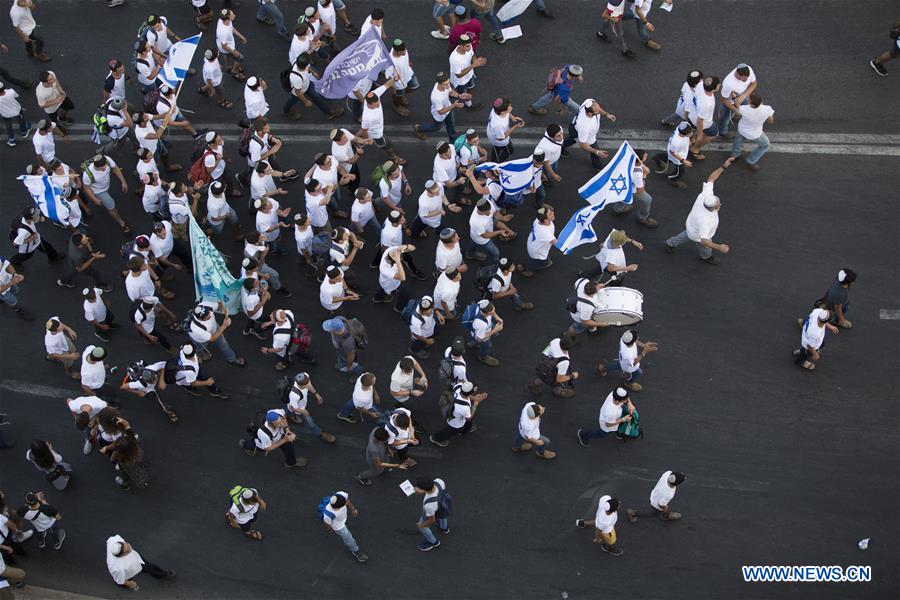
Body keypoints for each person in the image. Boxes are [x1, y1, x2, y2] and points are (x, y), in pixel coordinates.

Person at [664, 158, 735, 265]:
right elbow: (704, 241)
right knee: (706, 247)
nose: (720, 203)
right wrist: (718, 247)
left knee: (687, 234)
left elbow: (711, 179)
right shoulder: (704, 222)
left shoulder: (706, 196)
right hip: (698, 234)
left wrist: (724, 166)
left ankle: (670, 243)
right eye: (719, 203)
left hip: (692, 226)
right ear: (714, 208)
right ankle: (706, 257)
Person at [357, 75, 406, 164]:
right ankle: (393, 156)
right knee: (387, 145)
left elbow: (387, 85)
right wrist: (367, 139)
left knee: (363, 129)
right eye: (376, 103)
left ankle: (354, 141)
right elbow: (364, 130)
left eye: (378, 101)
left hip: (374, 125)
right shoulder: (367, 117)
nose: (379, 103)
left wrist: (394, 79)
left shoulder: (375, 95)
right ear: (370, 103)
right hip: (377, 134)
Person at [80, 154, 131, 234]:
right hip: (99, 191)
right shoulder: (88, 175)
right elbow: (86, 188)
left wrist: (123, 182)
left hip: (106, 185)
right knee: (111, 206)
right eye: (102, 168)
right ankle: (122, 223)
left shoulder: (107, 160)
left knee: (108, 202)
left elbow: (115, 169)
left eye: (105, 166)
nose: (105, 168)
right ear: (95, 166)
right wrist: (94, 199)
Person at [240, 409, 307, 468]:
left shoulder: (277, 412)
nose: (281, 424)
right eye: (278, 424)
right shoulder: (263, 433)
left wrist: (287, 430)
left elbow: (284, 419)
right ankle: (245, 445)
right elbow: (267, 448)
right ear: (271, 425)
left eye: (281, 420)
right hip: (269, 442)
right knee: (254, 444)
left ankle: (291, 463)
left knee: (289, 449)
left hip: (280, 436)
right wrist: (285, 440)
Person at [561, 99, 616, 170]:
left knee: (571, 139)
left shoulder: (589, 102)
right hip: (588, 137)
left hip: (576, 131)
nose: (599, 112)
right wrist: (597, 152)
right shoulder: (585, 126)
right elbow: (582, 144)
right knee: (594, 148)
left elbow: (598, 109)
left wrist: (606, 114)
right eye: (597, 112)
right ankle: (597, 166)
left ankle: (560, 148)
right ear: (590, 113)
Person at [105, 535, 175, 591]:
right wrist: (130, 584)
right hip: (128, 569)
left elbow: (109, 540)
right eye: (128, 550)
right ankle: (124, 585)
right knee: (122, 579)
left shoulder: (114, 540)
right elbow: (120, 580)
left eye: (127, 544)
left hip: (137, 559)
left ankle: (161, 574)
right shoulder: (117, 568)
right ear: (122, 555)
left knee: (149, 567)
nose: (130, 546)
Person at [283, 372, 336, 444]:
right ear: (300, 385)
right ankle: (320, 433)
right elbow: (293, 408)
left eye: (308, 381)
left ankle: (287, 416)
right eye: (306, 384)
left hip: (293, 405)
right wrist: (304, 412)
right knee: (310, 422)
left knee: (287, 411)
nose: (309, 384)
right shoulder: (294, 395)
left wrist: (316, 394)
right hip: (298, 409)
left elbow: (309, 385)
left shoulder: (305, 376)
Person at [428, 380, 485, 446]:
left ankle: (466, 428)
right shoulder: (464, 408)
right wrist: (476, 403)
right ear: (470, 393)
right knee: (452, 431)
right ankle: (436, 438)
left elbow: (466, 395)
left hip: (456, 412)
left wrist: (474, 398)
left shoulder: (458, 386)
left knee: (466, 424)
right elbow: (469, 418)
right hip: (456, 422)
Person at [727, 93, 775, 171]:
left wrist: (735, 98)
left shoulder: (743, 109)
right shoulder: (767, 109)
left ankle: (735, 155)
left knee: (738, 142)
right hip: (755, 134)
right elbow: (770, 121)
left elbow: (736, 107)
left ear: (750, 103)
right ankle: (751, 160)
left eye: (749, 99)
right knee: (765, 145)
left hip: (742, 130)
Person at [414, 72, 466, 142]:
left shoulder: (444, 85)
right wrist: (454, 105)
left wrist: (459, 96)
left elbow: (450, 92)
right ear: (439, 84)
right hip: (439, 115)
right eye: (445, 84)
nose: (448, 86)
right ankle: (419, 128)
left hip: (449, 109)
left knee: (451, 127)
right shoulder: (436, 97)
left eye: (448, 83)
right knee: (436, 127)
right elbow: (440, 112)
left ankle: (453, 143)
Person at [164, 343, 229, 399]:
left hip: (194, 370)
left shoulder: (183, 350)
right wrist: (207, 382)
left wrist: (197, 360)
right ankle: (190, 389)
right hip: (186, 378)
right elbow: (194, 383)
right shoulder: (189, 371)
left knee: (203, 377)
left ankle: (214, 391)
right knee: (190, 384)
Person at [610, 151, 656, 227]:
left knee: (622, 196)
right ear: (639, 160)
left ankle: (618, 209)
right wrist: (644, 175)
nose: (647, 155)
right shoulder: (637, 174)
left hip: (622, 185)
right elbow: (640, 191)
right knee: (647, 199)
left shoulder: (628, 162)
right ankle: (642, 217)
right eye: (644, 156)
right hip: (632, 189)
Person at [320, 492, 368, 563]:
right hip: (338, 526)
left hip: (342, 519)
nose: (346, 503)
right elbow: (326, 523)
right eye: (344, 504)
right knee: (348, 537)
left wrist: (353, 509)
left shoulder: (340, 495)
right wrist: (329, 529)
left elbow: (347, 500)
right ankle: (356, 551)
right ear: (338, 507)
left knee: (347, 536)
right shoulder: (328, 514)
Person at [684, 76, 721, 160]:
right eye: (718, 85)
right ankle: (695, 149)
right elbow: (700, 120)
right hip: (704, 123)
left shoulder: (700, 85)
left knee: (691, 129)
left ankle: (691, 139)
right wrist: (700, 135)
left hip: (691, 115)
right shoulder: (707, 104)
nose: (720, 85)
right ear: (714, 89)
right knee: (714, 133)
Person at [717, 63, 758, 137]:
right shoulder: (728, 84)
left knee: (745, 106)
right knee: (726, 117)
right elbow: (724, 100)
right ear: (738, 75)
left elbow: (753, 83)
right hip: (730, 100)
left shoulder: (749, 69)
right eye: (744, 79)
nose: (746, 81)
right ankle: (722, 131)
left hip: (742, 94)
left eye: (747, 78)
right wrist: (736, 110)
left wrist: (744, 95)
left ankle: (736, 114)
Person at [449, 34, 486, 111]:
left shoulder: (468, 47)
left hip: (470, 75)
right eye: (467, 46)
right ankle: (468, 105)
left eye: (470, 45)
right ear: (460, 46)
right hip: (461, 82)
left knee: (470, 87)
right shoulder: (454, 59)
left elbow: (472, 55)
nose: (470, 47)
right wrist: (473, 65)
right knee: (462, 94)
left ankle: (468, 102)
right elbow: (458, 75)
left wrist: (475, 61)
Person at [653, 121, 693, 190]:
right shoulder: (676, 142)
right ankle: (673, 179)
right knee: (681, 172)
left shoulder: (683, 125)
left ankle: (656, 158)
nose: (692, 133)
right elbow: (673, 153)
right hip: (677, 157)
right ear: (684, 134)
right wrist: (683, 161)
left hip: (675, 151)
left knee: (666, 157)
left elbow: (687, 127)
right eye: (690, 133)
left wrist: (689, 140)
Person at [414, 477, 449, 551]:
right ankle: (444, 528)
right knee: (442, 515)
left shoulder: (429, 506)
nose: (415, 488)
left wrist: (422, 525)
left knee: (422, 525)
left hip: (432, 509)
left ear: (424, 490)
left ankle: (433, 542)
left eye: (418, 488)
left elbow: (431, 520)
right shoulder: (439, 481)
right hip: (442, 505)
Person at [486, 97, 524, 163]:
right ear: (502, 112)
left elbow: (507, 113)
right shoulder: (498, 125)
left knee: (496, 149)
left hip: (493, 134)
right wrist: (515, 127)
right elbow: (501, 138)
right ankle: (497, 163)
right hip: (499, 141)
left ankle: (493, 161)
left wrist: (513, 117)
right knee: (510, 150)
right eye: (509, 107)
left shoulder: (496, 109)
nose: (511, 108)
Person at [469, 299, 503, 366]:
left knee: (495, 334)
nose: (493, 313)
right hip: (481, 333)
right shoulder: (481, 324)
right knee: (487, 345)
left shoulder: (482, 304)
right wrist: (495, 330)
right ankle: (482, 357)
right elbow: (480, 338)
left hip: (487, 326)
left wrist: (496, 317)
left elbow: (492, 311)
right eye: (491, 313)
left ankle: (473, 344)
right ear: (486, 313)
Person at [0, 81, 30, 147]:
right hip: (16, 110)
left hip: (6, 114)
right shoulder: (10, 91)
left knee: (8, 125)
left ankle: (11, 139)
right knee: (21, 121)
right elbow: (17, 96)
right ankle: (24, 132)